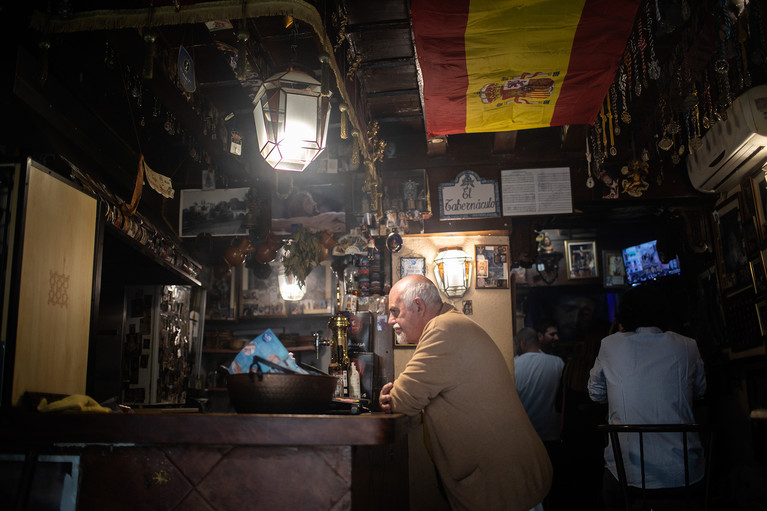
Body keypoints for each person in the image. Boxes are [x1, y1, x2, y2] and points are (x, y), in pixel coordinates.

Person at [379, 275, 552, 511]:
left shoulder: (443, 328)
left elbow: (402, 400)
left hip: (503, 487)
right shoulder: (451, 324)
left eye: (395, 311)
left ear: (419, 306)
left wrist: (391, 395)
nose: (390, 321)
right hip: (509, 482)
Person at [587, 284, 707, 511]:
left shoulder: (610, 344)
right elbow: (701, 391)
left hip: (627, 472)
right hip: (685, 471)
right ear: (664, 312)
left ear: (626, 314)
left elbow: (595, 394)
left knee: (609, 490)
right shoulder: (687, 345)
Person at [514, 327, 565, 510]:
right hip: (551, 435)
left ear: (522, 343)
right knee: (554, 486)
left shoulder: (513, 365)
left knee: (531, 490)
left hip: (525, 439)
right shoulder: (557, 363)